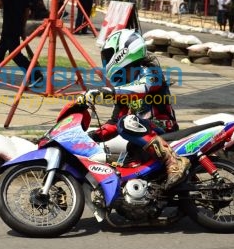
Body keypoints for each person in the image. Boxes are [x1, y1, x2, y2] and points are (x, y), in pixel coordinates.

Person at [81, 29, 189, 189]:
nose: (106, 60)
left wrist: (109, 92)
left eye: (109, 55)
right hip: (141, 136)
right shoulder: (124, 88)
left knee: (128, 122)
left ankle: (173, 161)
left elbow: (141, 88)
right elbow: (114, 124)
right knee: (122, 169)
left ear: (123, 51)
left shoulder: (152, 73)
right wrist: (88, 137)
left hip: (164, 127)